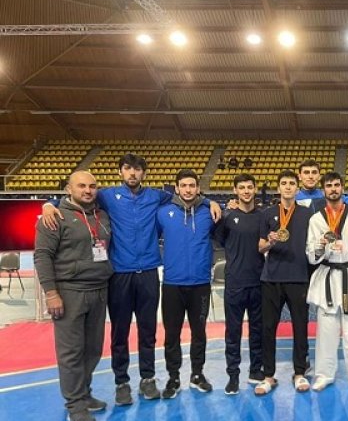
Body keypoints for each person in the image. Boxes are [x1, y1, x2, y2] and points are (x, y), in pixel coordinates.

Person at [40, 153, 221, 405]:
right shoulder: (105, 195)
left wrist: (211, 200)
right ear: (120, 172)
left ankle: (148, 379)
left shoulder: (158, 196)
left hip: (148, 273)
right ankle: (121, 382)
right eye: (128, 169)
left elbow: (188, 197)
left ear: (144, 174)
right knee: (120, 332)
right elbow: (79, 195)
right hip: (120, 275)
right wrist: (50, 203)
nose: (133, 173)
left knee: (148, 332)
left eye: (137, 169)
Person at [34, 171, 113, 421]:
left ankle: (85, 393)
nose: (88, 190)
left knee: (93, 349)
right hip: (69, 292)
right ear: (69, 188)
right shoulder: (55, 216)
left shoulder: (101, 215)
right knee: (71, 353)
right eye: (82, 186)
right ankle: (75, 406)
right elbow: (42, 256)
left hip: (99, 290)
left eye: (92, 186)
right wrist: (51, 292)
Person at [306, 172, 348, 391]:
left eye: (336, 185)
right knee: (326, 331)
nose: (333, 189)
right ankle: (324, 374)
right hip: (328, 274)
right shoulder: (316, 219)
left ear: (343, 187)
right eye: (329, 186)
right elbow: (311, 254)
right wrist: (322, 246)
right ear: (323, 190)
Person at [158, 169, 217, 399]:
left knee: (199, 333)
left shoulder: (209, 212)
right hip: (172, 284)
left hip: (200, 284)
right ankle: (173, 377)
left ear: (198, 187)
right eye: (184, 185)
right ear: (177, 188)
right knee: (171, 334)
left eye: (192, 185)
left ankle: (197, 374)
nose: (188, 189)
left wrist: (214, 203)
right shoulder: (162, 213)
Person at [256, 170, 314, 395]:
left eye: (292, 183)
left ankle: (299, 373)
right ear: (278, 188)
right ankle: (268, 376)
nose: (288, 187)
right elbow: (260, 247)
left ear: (297, 188)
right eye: (284, 183)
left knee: (300, 327)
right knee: (268, 328)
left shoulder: (308, 213)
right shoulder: (268, 213)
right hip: (271, 279)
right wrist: (269, 242)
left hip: (299, 277)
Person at [213, 173, 265, 395]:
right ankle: (233, 376)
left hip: (259, 282)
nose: (246, 191)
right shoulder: (226, 217)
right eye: (242, 187)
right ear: (235, 190)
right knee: (232, 332)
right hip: (234, 282)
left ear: (254, 189)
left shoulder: (263, 217)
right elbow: (219, 240)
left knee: (257, 330)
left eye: (249, 187)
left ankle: (256, 370)